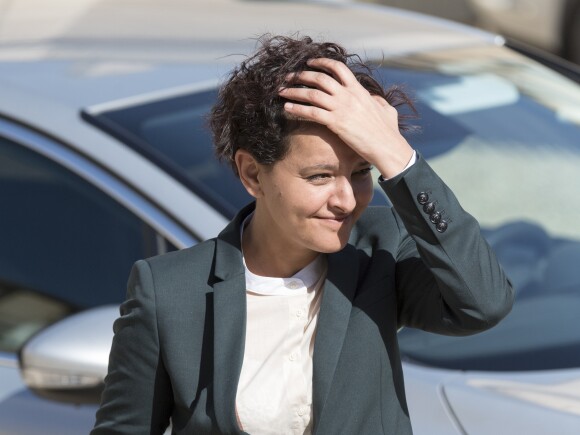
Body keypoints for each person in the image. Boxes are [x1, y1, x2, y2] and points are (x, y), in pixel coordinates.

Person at [92, 35, 514, 434]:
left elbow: (483, 303)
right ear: (252, 173)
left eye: (361, 172)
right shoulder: (169, 291)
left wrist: (395, 155)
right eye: (320, 176)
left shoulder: (381, 248)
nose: (346, 200)